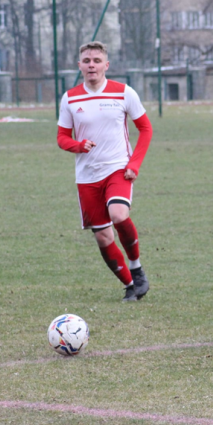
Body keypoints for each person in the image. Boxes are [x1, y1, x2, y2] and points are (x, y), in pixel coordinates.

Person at [57, 41, 153, 301]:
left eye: (97, 61)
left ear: (106, 65)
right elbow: (62, 138)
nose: (92, 65)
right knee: (102, 236)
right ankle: (131, 286)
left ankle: (137, 270)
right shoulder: (70, 97)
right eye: (87, 61)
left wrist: (133, 164)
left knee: (119, 214)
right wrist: (78, 145)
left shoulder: (124, 92)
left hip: (117, 168)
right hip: (87, 176)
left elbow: (145, 128)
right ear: (79, 65)